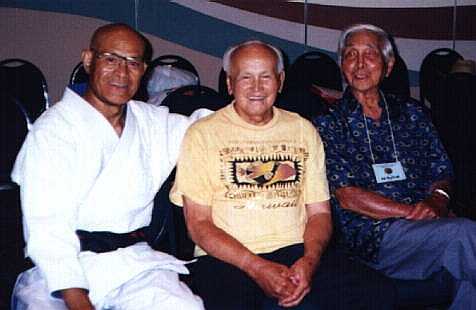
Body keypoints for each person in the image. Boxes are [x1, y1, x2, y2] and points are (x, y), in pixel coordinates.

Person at [170, 40, 395, 309]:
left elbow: (320, 213)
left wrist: (309, 262)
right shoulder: (202, 134)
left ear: (280, 80)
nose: (256, 88)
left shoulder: (302, 130)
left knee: (376, 295)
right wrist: (257, 267)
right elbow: (198, 225)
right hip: (227, 259)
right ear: (230, 84)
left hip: (297, 251)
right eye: (246, 78)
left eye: (266, 77)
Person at [10, 23, 206, 310]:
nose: (122, 73)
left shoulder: (151, 122)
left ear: (144, 70)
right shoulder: (54, 130)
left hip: (135, 265)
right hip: (64, 269)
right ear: (89, 60)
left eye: (133, 63)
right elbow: (47, 226)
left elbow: (207, 130)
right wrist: (77, 299)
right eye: (111, 59)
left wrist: (256, 107)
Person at [314, 23, 476, 309]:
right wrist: (413, 214)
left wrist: (437, 200)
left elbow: (441, 170)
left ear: (388, 65)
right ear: (342, 66)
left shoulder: (412, 113)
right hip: (372, 237)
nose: (360, 63)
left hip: (430, 229)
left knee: (464, 268)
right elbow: (346, 196)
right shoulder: (328, 124)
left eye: (370, 54)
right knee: (465, 235)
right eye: (351, 54)